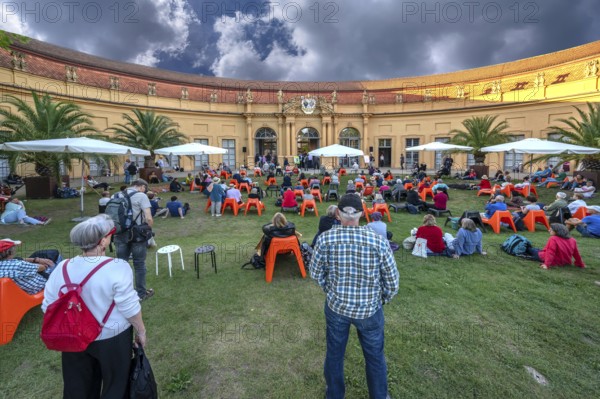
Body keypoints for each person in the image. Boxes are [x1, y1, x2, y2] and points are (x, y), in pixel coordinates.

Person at [42, 214, 147, 398]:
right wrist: (141, 331)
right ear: (103, 241)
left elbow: (48, 306)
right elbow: (129, 308)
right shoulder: (118, 266)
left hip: (73, 335)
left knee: (77, 386)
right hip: (112, 336)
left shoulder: (62, 267)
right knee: (115, 384)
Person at [309, 194, 399, 398]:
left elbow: (315, 273)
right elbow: (392, 282)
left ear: (338, 215)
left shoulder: (326, 238)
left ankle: (334, 394)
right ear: (361, 214)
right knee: (374, 357)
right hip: (366, 309)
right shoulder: (377, 241)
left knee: (335, 354)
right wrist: (380, 299)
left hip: (340, 307)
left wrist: (330, 290)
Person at [114, 179, 154, 301]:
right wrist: (148, 231)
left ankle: (122, 293)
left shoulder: (116, 195)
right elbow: (148, 218)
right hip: (136, 234)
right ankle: (141, 294)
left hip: (119, 233)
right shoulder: (141, 196)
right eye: (145, 188)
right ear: (141, 187)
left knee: (121, 264)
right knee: (139, 264)